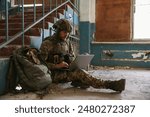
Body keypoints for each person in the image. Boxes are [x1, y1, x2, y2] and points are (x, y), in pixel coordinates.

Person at [40, 19, 126, 92]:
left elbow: (72, 57)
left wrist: (73, 63)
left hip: (65, 70)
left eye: (68, 32)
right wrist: (57, 66)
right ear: (58, 30)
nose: (66, 35)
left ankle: (79, 80)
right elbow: (41, 65)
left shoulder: (67, 42)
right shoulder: (47, 44)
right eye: (64, 32)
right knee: (80, 73)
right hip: (53, 74)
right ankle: (109, 85)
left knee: (81, 71)